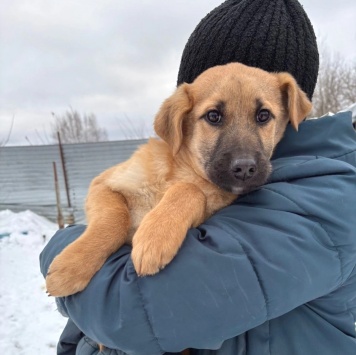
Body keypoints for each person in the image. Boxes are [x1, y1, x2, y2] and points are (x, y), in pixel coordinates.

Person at [40, 0, 356, 354]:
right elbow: (106, 188)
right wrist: (98, 236)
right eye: (215, 117)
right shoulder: (162, 163)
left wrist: (58, 245)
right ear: (182, 121)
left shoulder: (326, 198)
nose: (243, 158)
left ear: (290, 113)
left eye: (262, 116)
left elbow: (134, 313)